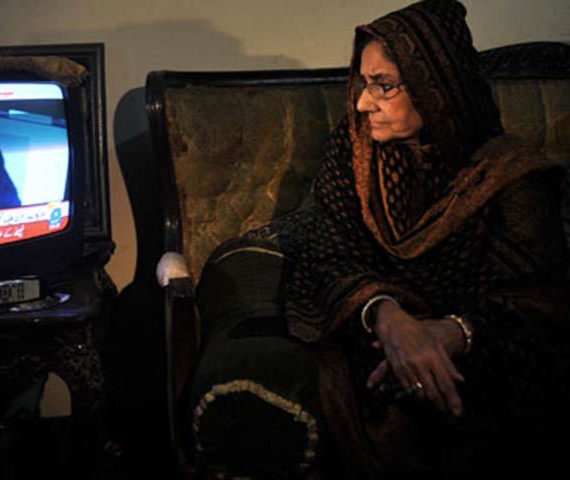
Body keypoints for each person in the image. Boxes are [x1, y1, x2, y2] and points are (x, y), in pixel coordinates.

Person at [232, 0, 568, 477]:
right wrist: (389, 320)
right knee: (372, 391)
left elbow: (537, 302)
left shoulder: (510, 177)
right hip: (372, 330)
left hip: (482, 345)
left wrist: (448, 334)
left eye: (384, 86)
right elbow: (329, 253)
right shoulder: (353, 152)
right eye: (363, 83)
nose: (364, 103)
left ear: (437, 88)